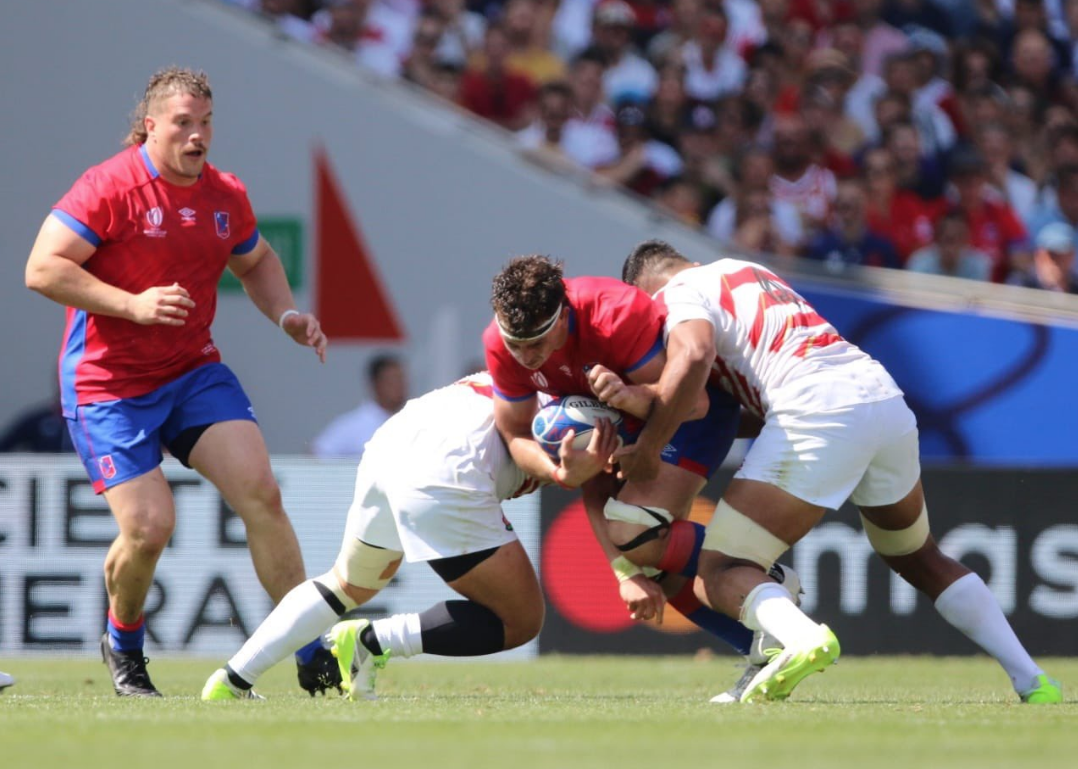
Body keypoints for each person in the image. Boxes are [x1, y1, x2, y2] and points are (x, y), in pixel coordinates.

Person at [615, 239, 1062, 705]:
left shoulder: (675, 295)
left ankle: (801, 639)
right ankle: (1033, 680)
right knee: (919, 556)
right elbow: (746, 398)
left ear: (648, 289)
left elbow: (693, 354)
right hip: (880, 396)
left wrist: (649, 444)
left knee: (721, 568)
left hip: (815, 407)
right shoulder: (748, 271)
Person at [24, 67, 332, 698]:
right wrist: (132, 305)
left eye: (206, 123)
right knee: (149, 528)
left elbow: (257, 260)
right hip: (107, 383)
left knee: (262, 495)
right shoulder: (108, 186)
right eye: (184, 123)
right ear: (151, 126)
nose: (198, 136)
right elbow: (41, 268)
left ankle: (310, 649)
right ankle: (125, 645)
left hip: (192, 371)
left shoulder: (224, 194)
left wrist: (287, 315)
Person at [482, 255, 802, 702]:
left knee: (635, 531)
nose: (527, 356)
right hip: (634, 420)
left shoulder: (613, 315)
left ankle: (756, 571)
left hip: (694, 414)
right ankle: (764, 648)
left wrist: (632, 401)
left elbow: (691, 405)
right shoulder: (501, 342)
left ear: (563, 317)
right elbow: (517, 435)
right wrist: (561, 473)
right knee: (649, 562)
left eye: (536, 341)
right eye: (517, 344)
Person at [202, 372, 552, 700]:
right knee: (520, 619)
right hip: (450, 466)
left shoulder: (542, 371)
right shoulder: (583, 404)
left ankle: (232, 680)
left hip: (395, 438)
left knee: (346, 584)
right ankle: (370, 640)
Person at [311, 354, 408, 459]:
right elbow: (316, 455)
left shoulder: (412, 422)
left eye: (401, 380)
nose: (399, 387)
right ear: (376, 383)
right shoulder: (353, 424)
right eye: (392, 381)